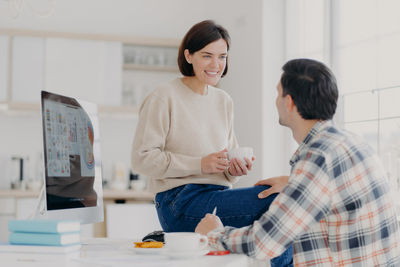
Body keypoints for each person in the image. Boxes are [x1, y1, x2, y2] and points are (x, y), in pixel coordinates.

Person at [195, 58, 400, 266]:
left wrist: (215, 234)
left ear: (289, 102)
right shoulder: (350, 142)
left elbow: (262, 243)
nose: (275, 101)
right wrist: (294, 183)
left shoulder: (318, 158)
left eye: (278, 93)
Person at [131, 20, 292, 266]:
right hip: (179, 201)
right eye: (207, 56)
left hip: (216, 196)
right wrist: (200, 164)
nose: (216, 65)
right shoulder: (164, 96)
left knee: (282, 196)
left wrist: (233, 169)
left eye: (222, 57)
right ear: (189, 55)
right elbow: (142, 159)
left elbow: (225, 169)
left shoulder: (223, 101)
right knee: (276, 201)